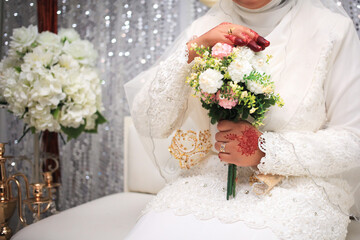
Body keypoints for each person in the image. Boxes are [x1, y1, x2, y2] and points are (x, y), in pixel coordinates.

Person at [124, 0, 360, 239]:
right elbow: (150, 122)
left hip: (298, 189)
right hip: (210, 182)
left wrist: (266, 150)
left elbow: (354, 139)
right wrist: (195, 48)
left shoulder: (332, 30)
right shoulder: (205, 26)